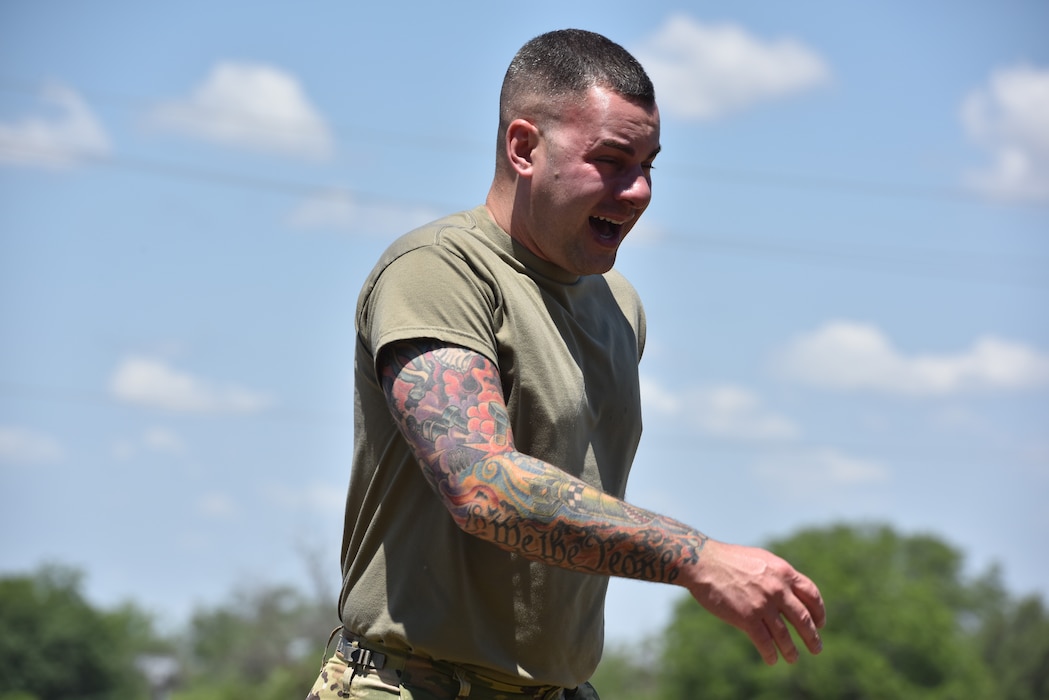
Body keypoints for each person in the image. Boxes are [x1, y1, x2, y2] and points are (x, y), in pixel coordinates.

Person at [307, 28, 825, 700]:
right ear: (523, 147)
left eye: (648, 166)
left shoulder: (619, 306)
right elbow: (482, 486)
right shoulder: (439, 271)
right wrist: (695, 558)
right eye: (611, 160)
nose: (637, 191)